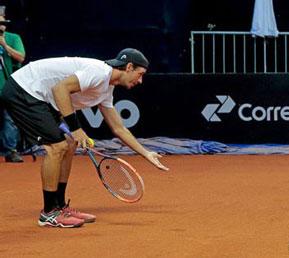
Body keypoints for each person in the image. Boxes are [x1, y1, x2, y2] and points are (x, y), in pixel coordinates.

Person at [1, 48, 169, 228]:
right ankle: (49, 213)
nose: (140, 80)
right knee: (57, 147)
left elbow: (118, 128)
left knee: (70, 143)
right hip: (24, 89)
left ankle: (59, 206)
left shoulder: (106, 89)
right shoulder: (99, 72)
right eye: (140, 74)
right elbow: (60, 89)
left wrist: (146, 153)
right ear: (129, 67)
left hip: (42, 97)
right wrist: (76, 129)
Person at [0, 6, 25, 162]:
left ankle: (11, 150)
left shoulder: (13, 38)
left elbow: (21, 57)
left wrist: (4, 45)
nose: (1, 26)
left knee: (10, 119)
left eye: (3, 23)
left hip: (7, 86)